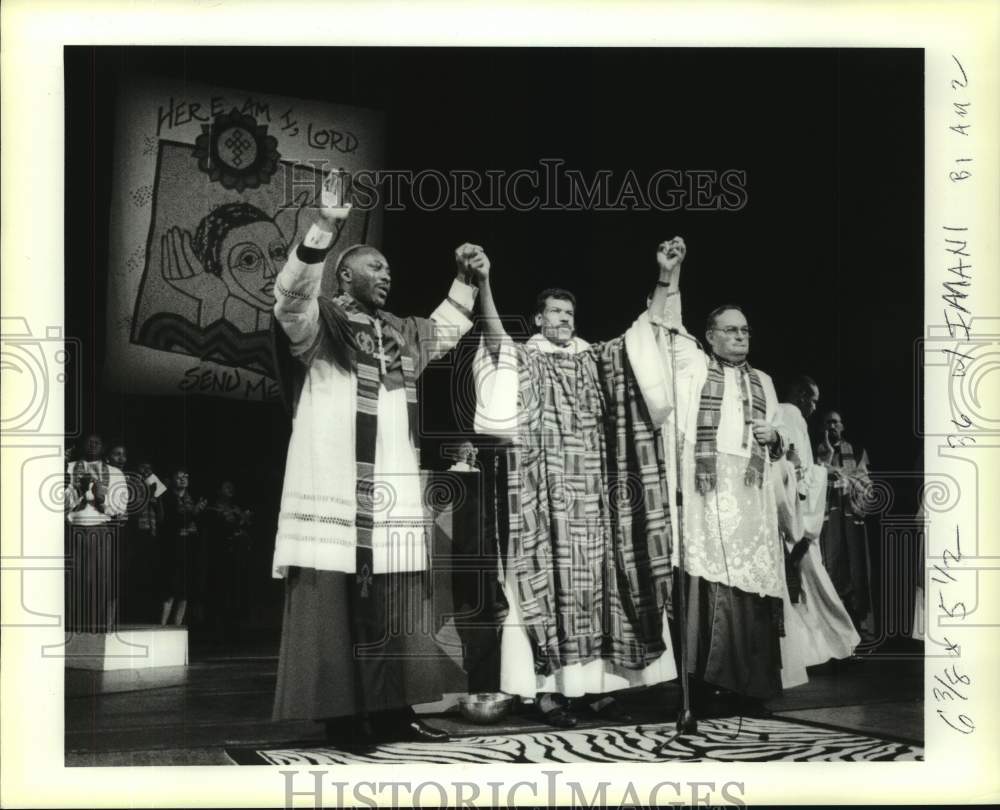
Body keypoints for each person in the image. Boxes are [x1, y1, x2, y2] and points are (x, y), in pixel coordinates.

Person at [269, 171, 477, 747]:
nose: (387, 275)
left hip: (392, 487)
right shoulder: (319, 323)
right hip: (334, 483)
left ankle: (393, 712)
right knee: (333, 600)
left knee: (399, 597)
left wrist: (465, 279)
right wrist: (326, 226)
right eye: (375, 267)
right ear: (344, 271)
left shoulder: (400, 332)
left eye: (389, 268)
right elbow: (290, 296)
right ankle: (341, 716)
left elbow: (447, 329)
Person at [472, 242, 680, 728]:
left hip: (596, 496)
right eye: (556, 313)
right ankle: (550, 692)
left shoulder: (595, 359)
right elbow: (495, 336)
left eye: (570, 312)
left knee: (601, 589)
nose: (565, 319)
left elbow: (641, 334)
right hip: (546, 495)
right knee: (548, 585)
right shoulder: (529, 358)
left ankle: (594, 688)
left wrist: (666, 278)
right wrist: (484, 282)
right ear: (539, 320)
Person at [648, 248, 788, 712]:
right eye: (731, 329)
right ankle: (707, 683)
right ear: (709, 337)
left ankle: (750, 684)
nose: (741, 336)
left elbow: (778, 445)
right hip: (707, 494)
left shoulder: (764, 382)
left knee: (753, 585)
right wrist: (673, 270)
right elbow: (669, 317)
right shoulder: (691, 365)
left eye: (745, 330)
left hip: (750, 498)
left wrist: (774, 436)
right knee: (707, 584)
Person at [773, 378, 860, 668]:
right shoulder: (790, 413)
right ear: (799, 395)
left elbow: (801, 467)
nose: (813, 407)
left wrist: (822, 465)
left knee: (810, 583)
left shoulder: (787, 415)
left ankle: (823, 646)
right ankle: (831, 644)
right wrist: (822, 471)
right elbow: (795, 470)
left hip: (797, 512)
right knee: (811, 582)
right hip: (794, 516)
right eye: (812, 400)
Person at [816, 409, 875, 636]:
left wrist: (848, 479)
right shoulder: (817, 452)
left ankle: (859, 622)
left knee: (856, 568)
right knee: (833, 566)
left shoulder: (857, 450)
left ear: (843, 426)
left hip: (852, 516)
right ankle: (834, 624)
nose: (832, 426)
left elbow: (866, 483)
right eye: (828, 423)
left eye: (836, 422)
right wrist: (826, 469)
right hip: (828, 519)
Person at [201, 480, 253, 643]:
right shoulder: (213, 509)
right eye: (226, 487)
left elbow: (245, 526)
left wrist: (244, 520)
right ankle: (217, 631)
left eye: (232, 487)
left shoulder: (236, 508)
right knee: (220, 592)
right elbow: (216, 531)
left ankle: (234, 630)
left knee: (235, 592)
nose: (230, 489)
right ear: (219, 490)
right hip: (220, 558)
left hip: (237, 557)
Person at [158, 468, 208, 626]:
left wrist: (196, 511)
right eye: (178, 476)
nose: (182, 479)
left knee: (185, 590)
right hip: (173, 547)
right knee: (170, 589)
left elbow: (197, 523)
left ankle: (177, 626)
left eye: (186, 476)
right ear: (172, 479)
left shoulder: (191, 499)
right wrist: (194, 512)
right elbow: (174, 520)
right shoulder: (167, 498)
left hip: (189, 547)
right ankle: (162, 625)